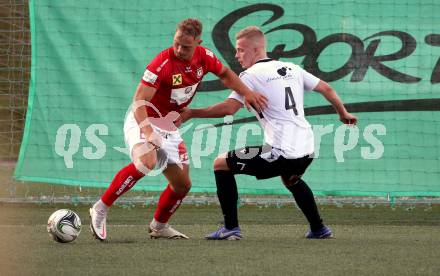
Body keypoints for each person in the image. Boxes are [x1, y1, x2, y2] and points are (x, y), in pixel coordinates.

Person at [89, 19, 267, 241]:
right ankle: (101, 208)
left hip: (169, 127)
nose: (180, 50)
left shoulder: (205, 56)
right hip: (144, 119)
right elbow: (139, 101)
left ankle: (159, 226)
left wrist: (247, 92)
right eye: (177, 44)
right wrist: (147, 131)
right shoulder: (162, 63)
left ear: (198, 43)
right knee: (147, 162)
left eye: (186, 46)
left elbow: (226, 75)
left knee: (182, 185)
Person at [180, 26, 357, 240]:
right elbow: (327, 89)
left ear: (256, 49)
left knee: (220, 163)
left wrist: (192, 112)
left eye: (240, 50)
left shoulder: (249, 75)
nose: (236, 55)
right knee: (290, 179)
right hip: (307, 150)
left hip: (282, 152)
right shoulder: (291, 68)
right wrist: (343, 112)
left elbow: (228, 109)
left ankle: (230, 228)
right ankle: (319, 229)